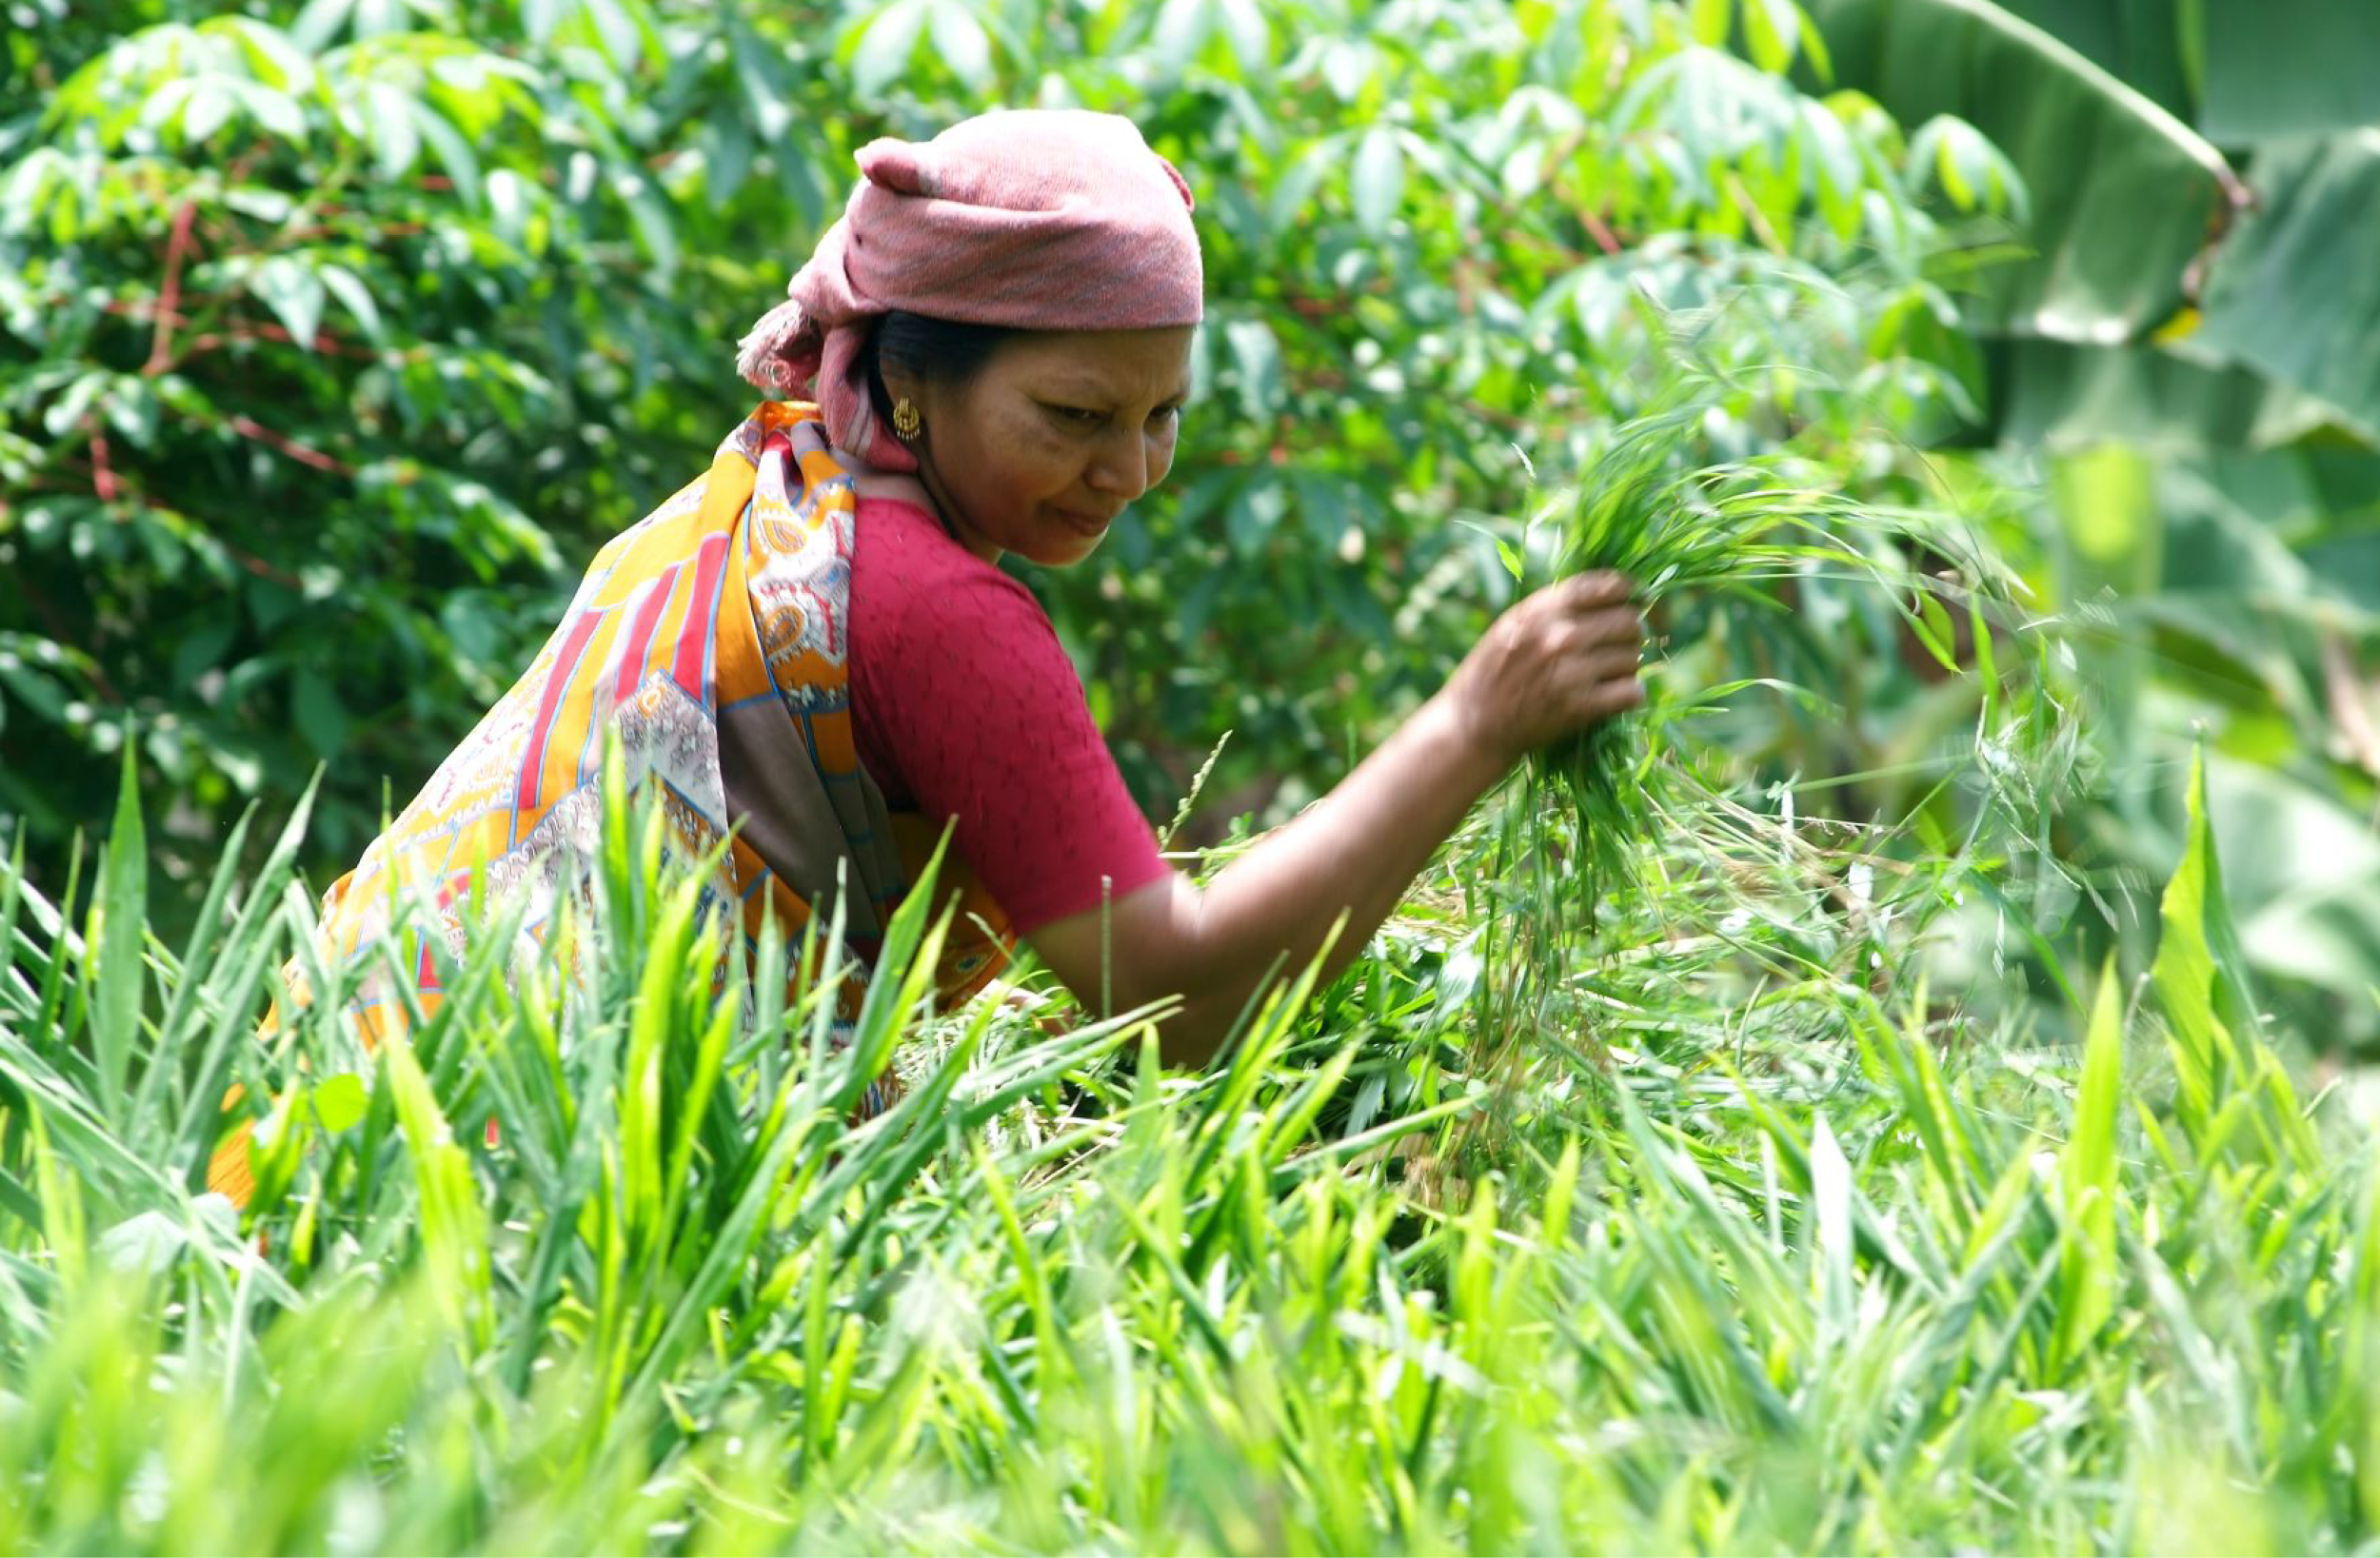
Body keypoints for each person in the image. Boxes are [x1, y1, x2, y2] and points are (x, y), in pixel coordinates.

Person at [209, 110, 1641, 1202]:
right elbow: (1170, 1000)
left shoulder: (787, 490)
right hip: (507, 1184)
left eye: (1162, 417)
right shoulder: (937, 610)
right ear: (911, 374)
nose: (1129, 471)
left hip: (326, 1126)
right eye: (1077, 415)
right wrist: (1474, 722)